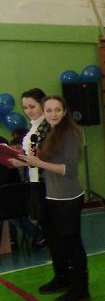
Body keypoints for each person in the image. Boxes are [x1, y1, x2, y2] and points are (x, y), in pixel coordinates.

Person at [19, 96, 90, 301]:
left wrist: (38, 162)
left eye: (57, 110)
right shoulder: (52, 132)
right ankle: (69, 281)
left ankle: (81, 288)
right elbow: (43, 162)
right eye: (49, 110)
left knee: (73, 243)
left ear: (65, 111)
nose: (53, 114)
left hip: (68, 196)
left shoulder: (70, 133)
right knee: (62, 243)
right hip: (53, 195)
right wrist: (22, 160)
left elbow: (68, 169)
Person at [9, 88, 49, 250]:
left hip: (46, 181)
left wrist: (22, 161)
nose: (28, 111)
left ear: (42, 104)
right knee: (46, 223)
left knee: (52, 225)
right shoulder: (34, 126)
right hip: (34, 179)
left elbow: (45, 156)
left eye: (32, 106)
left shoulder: (47, 126)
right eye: (25, 107)